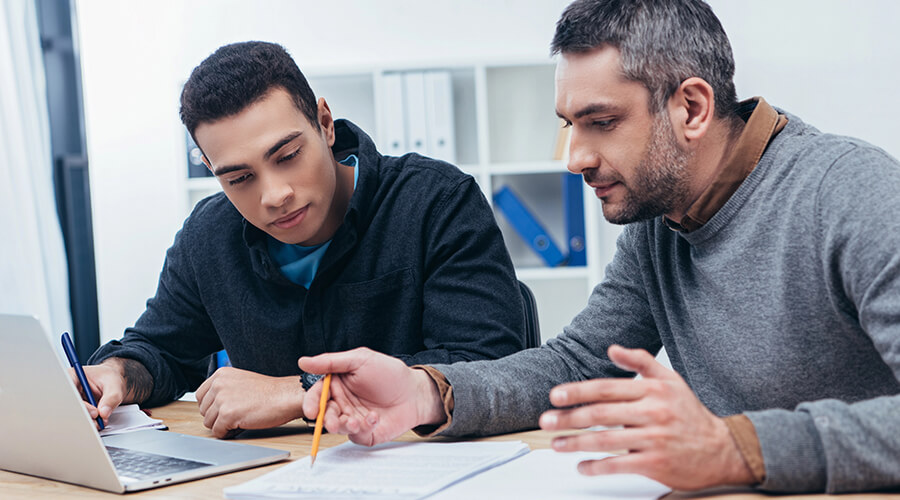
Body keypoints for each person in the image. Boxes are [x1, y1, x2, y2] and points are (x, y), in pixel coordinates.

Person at [297, 0, 900, 494]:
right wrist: (425, 391)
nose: (575, 158)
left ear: (691, 107)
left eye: (601, 122)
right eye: (569, 124)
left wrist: (734, 448)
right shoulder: (660, 211)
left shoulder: (853, 195)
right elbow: (579, 363)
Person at [78, 41, 526, 438]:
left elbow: (486, 368)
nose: (275, 196)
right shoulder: (208, 236)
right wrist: (117, 373)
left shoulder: (436, 202)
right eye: (239, 178)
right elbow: (162, 350)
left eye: (288, 156)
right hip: (271, 480)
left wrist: (297, 393)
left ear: (325, 123)